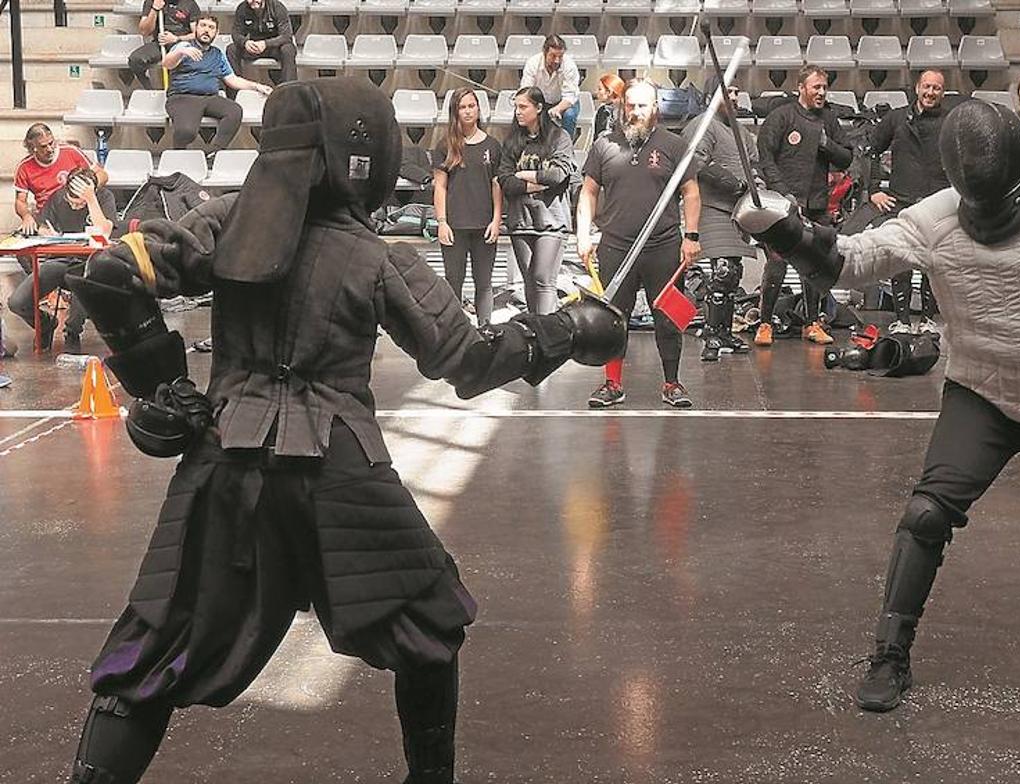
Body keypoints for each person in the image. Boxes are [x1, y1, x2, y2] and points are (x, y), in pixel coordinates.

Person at [63, 77, 626, 784]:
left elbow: (113, 271)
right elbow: (469, 361)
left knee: (151, 652)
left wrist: (161, 388)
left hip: (224, 466)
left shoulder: (224, 222)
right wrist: (565, 328)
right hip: (339, 472)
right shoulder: (380, 257)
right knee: (429, 628)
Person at [734, 99, 1020, 714]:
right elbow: (850, 263)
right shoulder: (931, 218)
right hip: (980, 392)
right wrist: (783, 228)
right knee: (926, 518)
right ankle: (889, 653)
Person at [577, 78, 703, 409]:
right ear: (622, 107)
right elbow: (588, 191)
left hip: (663, 245)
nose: (635, 111)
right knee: (614, 317)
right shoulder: (605, 145)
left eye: (642, 105)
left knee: (668, 318)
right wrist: (582, 233)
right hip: (616, 245)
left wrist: (691, 236)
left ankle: (673, 383)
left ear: (655, 109)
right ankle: (612, 383)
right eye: (630, 105)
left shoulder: (674, 146)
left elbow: (691, 191)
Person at [844, 69, 953, 335]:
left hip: (937, 203)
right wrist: (873, 190)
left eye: (936, 88)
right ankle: (902, 320)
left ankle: (928, 319)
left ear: (942, 91)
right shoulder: (895, 118)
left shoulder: (952, 121)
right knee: (900, 261)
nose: (930, 93)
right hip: (901, 201)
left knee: (933, 263)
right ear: (917, 88)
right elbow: (870, 152)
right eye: (926, 87)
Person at [754, 65, 852, 346]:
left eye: (824, 87)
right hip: (784, 206)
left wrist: (826, 145)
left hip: (818, 204)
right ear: (801, 88)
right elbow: (766, 159)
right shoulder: (781, 116)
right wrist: (783, 192)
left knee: (813, 265)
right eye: (816, 87)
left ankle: (812, 323)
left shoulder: (829, 120)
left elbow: (846, 157)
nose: (821, 92)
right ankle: (764, 323)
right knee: (777, 262)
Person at [683, 79, 758, 362]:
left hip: (738, 209)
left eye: (738, 91)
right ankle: (712, 333)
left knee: (732, 274)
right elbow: (697, 162)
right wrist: (733, 184)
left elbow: (753, 165)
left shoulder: (742, 132)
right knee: (722, 272)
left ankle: (724, 332)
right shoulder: (703, 125)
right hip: (711, 205)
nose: (735, 97)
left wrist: (754, 188)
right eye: (729, 91)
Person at [7, 168, 116, 354]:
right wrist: (44, 231)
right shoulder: (58, 197)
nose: (74, 206)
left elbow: (104, 231)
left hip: (91, 264)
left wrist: (90, 200)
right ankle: (46, 324)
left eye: (78, 203)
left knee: (83, 286)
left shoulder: (104, 198)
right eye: (70, 201)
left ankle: (72, 331)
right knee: (17, 302)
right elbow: (42, 224)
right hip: (60, 260)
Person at [497, 87, 577, 316]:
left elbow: (558, 175)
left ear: (539, 107)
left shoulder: (559, 137)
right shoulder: (513, 140)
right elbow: (505, 181)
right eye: (516, 107)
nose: (518, 112)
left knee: (543, 279)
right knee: (530, 281)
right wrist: (538, 183)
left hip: (551, 222)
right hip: (521, 222)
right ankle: (536, 332)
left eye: (523, 107)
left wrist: (522, 176)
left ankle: (548, 333)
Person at [433, 87, 503, 323]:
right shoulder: (446, 146)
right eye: (462, 107)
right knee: (454, 280)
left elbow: (496, 185)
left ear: (478, 109)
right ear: (455, 112)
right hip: (455, 225)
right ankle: (456, 331)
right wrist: (441, 222)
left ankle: (486, 331)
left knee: (484, 282)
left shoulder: (493, 146)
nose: (467, 111)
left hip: (484, 226)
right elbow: (440, 187)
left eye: (471, 106)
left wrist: (496, 220)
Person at [162, 15, 272, 155]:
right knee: (187, 132)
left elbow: (232, 79)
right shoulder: (183, 47)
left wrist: (257, 86)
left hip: (210, 98)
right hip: (182, 97)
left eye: (211, 28)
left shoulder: (218, 54)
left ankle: (215, 152)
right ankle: (177, 155)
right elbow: (167, 64)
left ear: (216, 33)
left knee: (234, 111)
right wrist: (180, 52)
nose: (206, 30)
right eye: (203, 26)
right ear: (196, 28)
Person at [13, 123, 109, 236]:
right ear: (32, 148)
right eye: (43, 146)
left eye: (51, 143)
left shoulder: (71, 152)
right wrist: (26, 216)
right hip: (48, 217)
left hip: (78, 209)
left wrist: (90, 188)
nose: (49, 149)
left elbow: (102, 174)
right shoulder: (24, 167)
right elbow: (20, 201)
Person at [129, 0, 201, 90]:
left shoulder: (189, 3)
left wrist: (176, 38)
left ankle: (179, 91)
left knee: (180, 62)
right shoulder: (151, 2)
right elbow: (145, 31)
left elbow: (198, 34)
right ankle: (150, 90)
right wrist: (154, 10)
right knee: (135, 60)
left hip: (182, 44)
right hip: (160, 44)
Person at [519, 34, 581, 140]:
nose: (557, 60)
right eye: (553, 56)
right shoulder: (532, 63)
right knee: (524, 111)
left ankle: (566, 147)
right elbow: (527, 91)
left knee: (569, 115)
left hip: (564, 102)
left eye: (560, 57)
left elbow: (570, 96)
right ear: (544, 52)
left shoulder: (570, 66)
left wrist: (558, 109)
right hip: (540, 101)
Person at [227, 0, 296, 91]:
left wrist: (266, 44)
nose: (253, 1)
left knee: (288, 49)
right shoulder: (242, 8)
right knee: (232, 49)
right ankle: (234, 94)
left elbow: (286, 35)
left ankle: (290, 92)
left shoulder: (277, 7)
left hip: (274, 46)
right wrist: (245, 42)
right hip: (254, 47)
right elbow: (236, 33)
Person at [592, 72, 625, 142]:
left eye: (599, 89)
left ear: (609, 92)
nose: (596, 92)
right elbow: (596, 137)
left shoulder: (624, 111)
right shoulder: (602, 110)